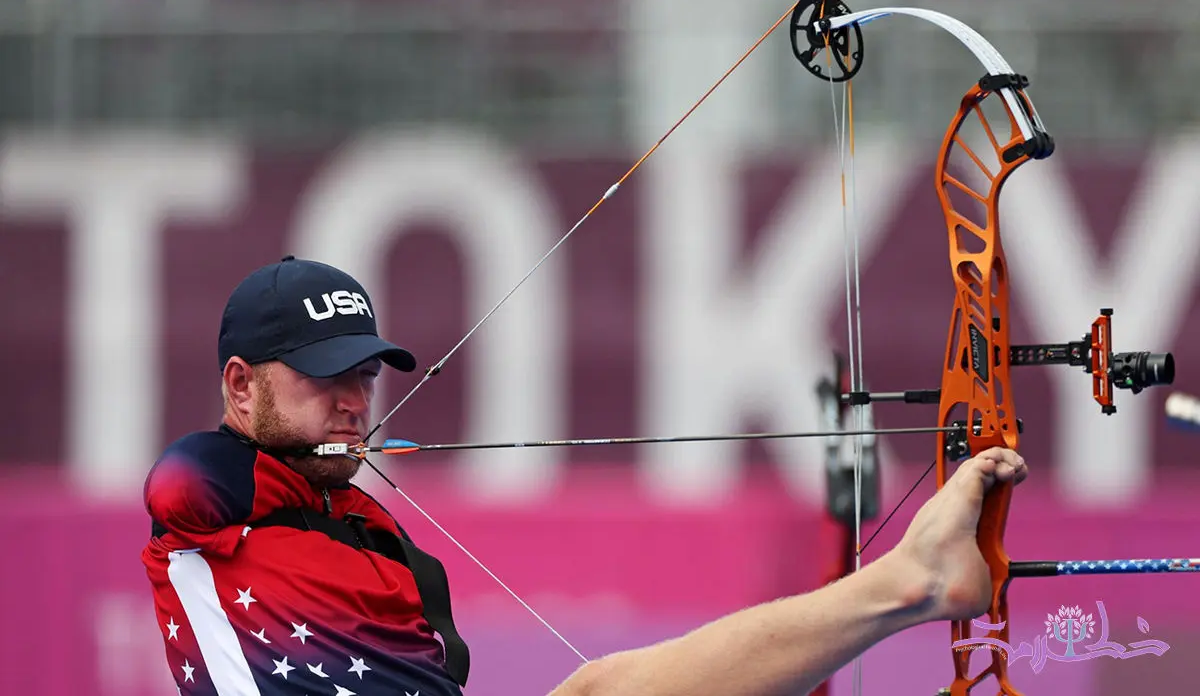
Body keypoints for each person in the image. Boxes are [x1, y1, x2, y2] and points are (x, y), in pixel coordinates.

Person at [142, 256, 1028, 696]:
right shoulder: (210, 505)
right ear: (240, 383)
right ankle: (906, 583)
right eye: (320, 375)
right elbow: (182, 484)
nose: (350, 400)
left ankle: (906, 584)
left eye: (362, 377)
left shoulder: (401, 563)